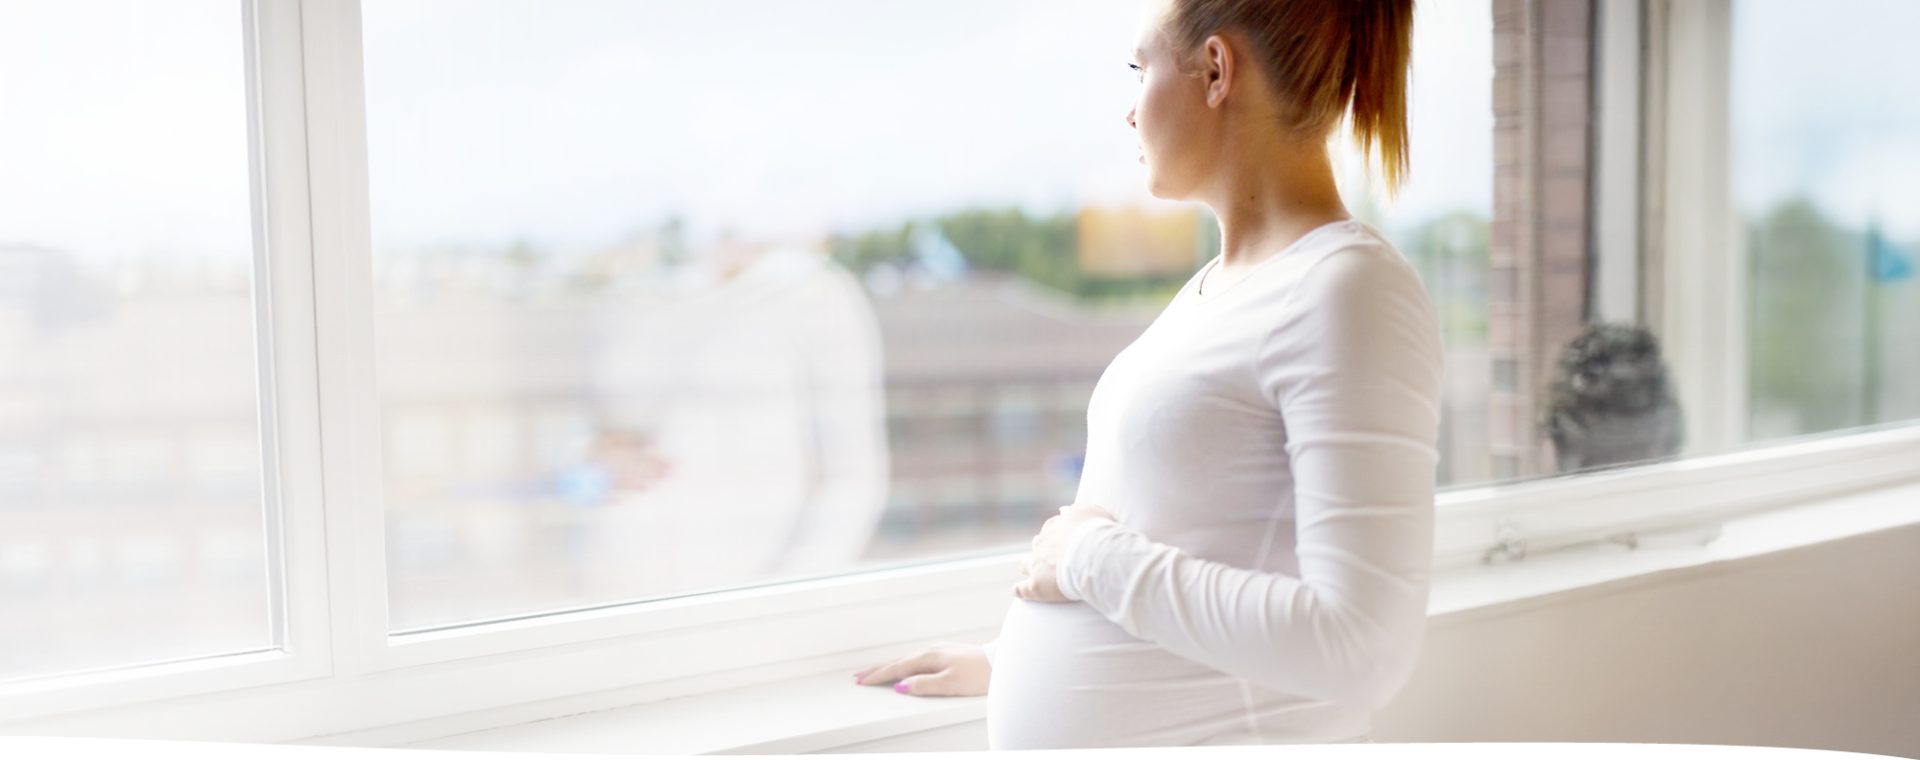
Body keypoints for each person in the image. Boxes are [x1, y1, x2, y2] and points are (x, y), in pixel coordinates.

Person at [853, 0, 1442, 749]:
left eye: (1140, 70)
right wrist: (1012, 660)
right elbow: (1197, 537)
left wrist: (1088, 561)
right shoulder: (1221, 288)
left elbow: (1362, 649)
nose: (1129, 113)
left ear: (1217, 70)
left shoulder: (1349, 292)